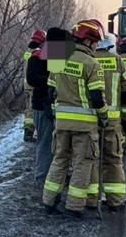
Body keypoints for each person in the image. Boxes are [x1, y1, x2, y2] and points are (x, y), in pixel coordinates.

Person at [41, 20, 108, 218]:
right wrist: (104, 117)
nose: (96, 47)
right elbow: (97, 97)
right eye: (95, 43)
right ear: (88, 42)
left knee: (59, 159)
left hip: (61, 123)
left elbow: (51, 91)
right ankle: (74, 207)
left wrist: (56, 113)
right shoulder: (92, 64)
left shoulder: (58, 59)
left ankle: (48, 202)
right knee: (82, 163)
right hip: (85, 126)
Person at [90, 33, 126, 211]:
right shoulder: (118, 61)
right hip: (113, 120)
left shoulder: (87, 59)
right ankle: (115, 200)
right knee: (114, 160)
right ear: (109, 46)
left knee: (90, 160)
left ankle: (91, 200)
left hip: (91, 120)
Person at [24, 29, 54, 181]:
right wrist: (50, 81)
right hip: (42, 105)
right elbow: (32, 79)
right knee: (45, 142)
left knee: (50, 142)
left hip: (49, 104)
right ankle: (42, 176)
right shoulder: (37, 56)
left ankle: (49, 175)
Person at [21, 32, 41, 143]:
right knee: (31, 110)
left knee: (28, 109)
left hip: (27, 85)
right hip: (33, 86)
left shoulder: (28, 52)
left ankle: (28, 132)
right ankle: (29, 133)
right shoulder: (36, 52)